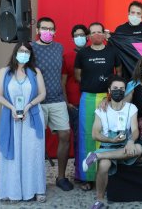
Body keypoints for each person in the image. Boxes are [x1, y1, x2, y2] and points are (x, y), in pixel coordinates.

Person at [0, 42, 46, 202]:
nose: (24, 54)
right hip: (11, 117)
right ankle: (14, 190)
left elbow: (42, 93)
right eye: (21, 51)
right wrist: (12, 108)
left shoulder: (35, 71)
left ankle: (36, 189)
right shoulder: (4, 72)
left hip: (31, 116)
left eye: (27, 51)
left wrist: (28, 106)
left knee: (33, 153)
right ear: (15, 52)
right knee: (14, 153)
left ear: (30, 55)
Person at [82, 75, 142, 209]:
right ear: (109, 90)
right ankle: (99, 199)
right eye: (115, 88)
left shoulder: (131, 108)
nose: (118, 91)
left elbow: (135, 129)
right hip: (108, 146)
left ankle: (96, 156)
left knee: (138, 148)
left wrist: (131, 141)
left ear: (125, 90)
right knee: (103, 166)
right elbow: (95, 134)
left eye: (121, 88)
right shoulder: (101, 109)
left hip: (125, 145)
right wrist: (110, 139)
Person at [74, 22, 122, 189]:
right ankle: (86, 177)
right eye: (92, 32)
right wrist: (92, 84)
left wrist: (109, 95)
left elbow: (119, 74)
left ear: (104, 34)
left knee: (108, 135)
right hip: (87, 98)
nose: (96, 35)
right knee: (86, 136)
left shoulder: (112, 51)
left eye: (99, 32)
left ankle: (106, 176)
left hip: (108, 99)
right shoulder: (82, 53)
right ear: (89, 36)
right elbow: (78, 75)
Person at [32, 17, 73, 191]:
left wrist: (65, 98)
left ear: (55, 32)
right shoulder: (30, 48)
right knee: (34, 142)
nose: (47, 32)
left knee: (65, 135)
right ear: (37, 30)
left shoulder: (59, 48)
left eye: (51, 29)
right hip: (36, 101)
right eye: (44, 28)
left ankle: (61, 177)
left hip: (57, 100)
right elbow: (15, 68)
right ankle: (34, 180)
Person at [61, 24, 89, 188]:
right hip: (75, 104)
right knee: (80, 139)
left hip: (93, 101)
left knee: (93, 138)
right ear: (72, 38)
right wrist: (67, 103)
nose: (79, 37)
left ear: (87, 36)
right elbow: (63, 82)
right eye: (76, 35)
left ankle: (94, 172)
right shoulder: (67, 57)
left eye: (82, 34)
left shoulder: (94, 53)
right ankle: (81, 175)